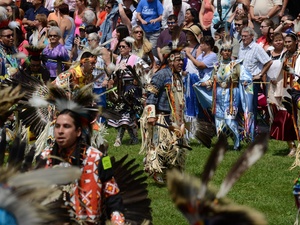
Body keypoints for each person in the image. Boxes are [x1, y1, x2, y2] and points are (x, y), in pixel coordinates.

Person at [39, 109, 125, 224]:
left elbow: (112, 196)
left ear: (78, 131)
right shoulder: (45, 158)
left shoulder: (99, 158)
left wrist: (117, 219)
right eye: (57, 126)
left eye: (66, 126)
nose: (60, 131)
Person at [140, 46, 188, 184]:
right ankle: (155, 170)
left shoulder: (178, 76)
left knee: (176, 146)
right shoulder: (161, 74)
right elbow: (151, 94)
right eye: (178, 60)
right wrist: (151, 115)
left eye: (182, 60)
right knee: (159, 145)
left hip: (175, 117)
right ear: (171, 61)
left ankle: (172, 172)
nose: (181, 63)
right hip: (161, 116)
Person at [200, 42, 242, 150]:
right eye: (224, 50)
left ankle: (237, 142)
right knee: (219, 121)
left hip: (231, 94)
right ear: (221, 52)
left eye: (229, 51)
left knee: (229, 120)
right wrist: (204, 83)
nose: (227, 52)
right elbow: (211, 79)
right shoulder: (217, 66)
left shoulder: (236, 65)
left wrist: (245, 83)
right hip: (218, 95)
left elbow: (244, 78)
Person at [238, 27, 272, 140]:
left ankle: (252, 133)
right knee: (242, 107)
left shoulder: (257, 48)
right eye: (242, 36)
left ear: (252, 36)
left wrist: (260, 74)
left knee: (251, 107)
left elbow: (268, 61)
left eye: (245, 36)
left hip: (252, 82)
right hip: (241, 81)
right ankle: (244, 131)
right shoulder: (241, 47)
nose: (243, 38)